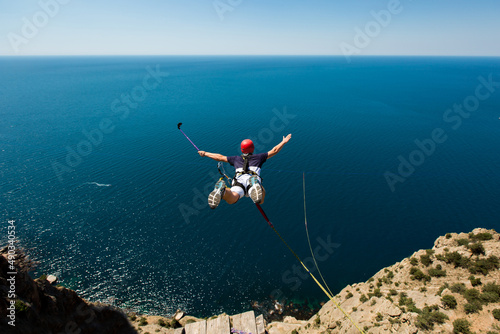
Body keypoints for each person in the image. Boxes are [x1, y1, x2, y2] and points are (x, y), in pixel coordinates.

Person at [198, 134, 292, 209]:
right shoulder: (259, 157)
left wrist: (205, 153)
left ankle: (223, 191)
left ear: (242, 149)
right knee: (260, 200)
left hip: (239, 181)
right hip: (252, 179)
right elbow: (274, 150)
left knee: (232, 198)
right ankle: (256, 185)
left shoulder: (235, 159)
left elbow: (220, 157)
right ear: (253, 148)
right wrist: (283, 142)